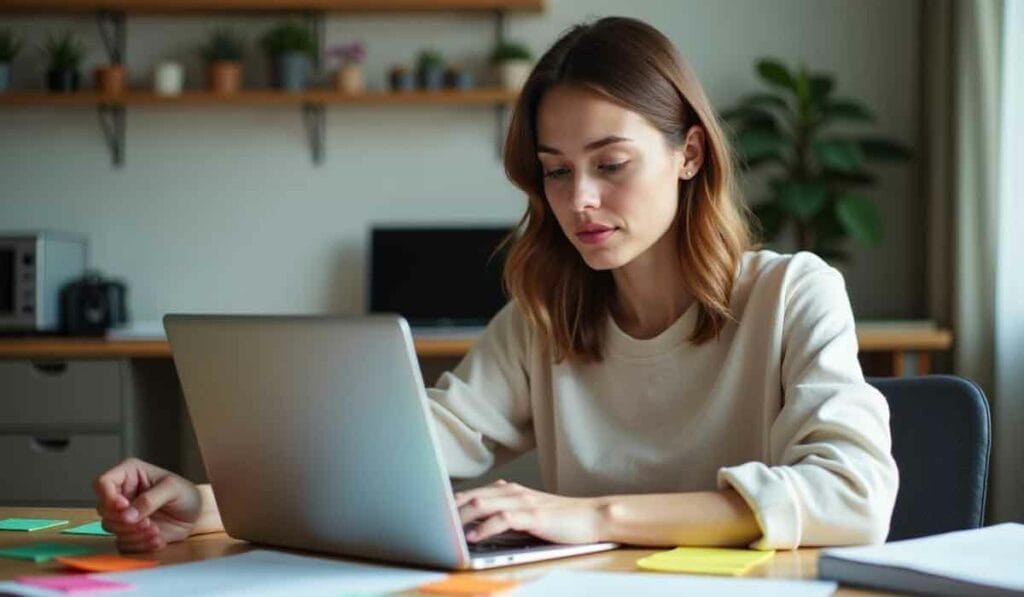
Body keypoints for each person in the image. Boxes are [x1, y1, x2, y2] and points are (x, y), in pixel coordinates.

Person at [94, 16, 898, 554]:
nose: (578, 200)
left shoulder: (794, 293)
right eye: (555, 172)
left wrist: (587, 517)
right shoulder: (548, 315)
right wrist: (200, 501)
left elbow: (853, 496)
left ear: (689, 154)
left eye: (611, 165)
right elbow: (398, 451)